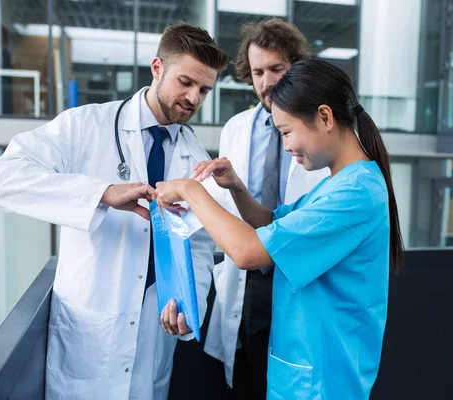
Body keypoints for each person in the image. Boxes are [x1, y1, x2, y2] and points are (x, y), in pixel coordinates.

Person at [0, 24, 228, 399]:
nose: (193, 98)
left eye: (204, 90)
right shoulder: (86, 125)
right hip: (89, 335)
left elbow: (199, 246)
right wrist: (100, 193)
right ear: (157, 68)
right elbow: (4, 177)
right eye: (185, 82)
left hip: (154, 336)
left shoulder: (197, 159)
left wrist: (191, 307)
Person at [155, 58, 405, 399]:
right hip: (301, 371)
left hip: (323, 381)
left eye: (287, 132)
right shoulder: (339, 184)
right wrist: (236, 188)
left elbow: (248, 252)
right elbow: (273, 224)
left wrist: (189, 190)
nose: (287, 147)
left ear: (325, 117)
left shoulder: (355, 193)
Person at [201, 18, 328, 399]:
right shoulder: (236, 129)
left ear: (296, 68)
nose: (267, 81)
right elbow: (225, 213)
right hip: (250, 278)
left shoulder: (320, 130)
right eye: (258, 71)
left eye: (277, 68)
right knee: (248, 377)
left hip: (297, 273)